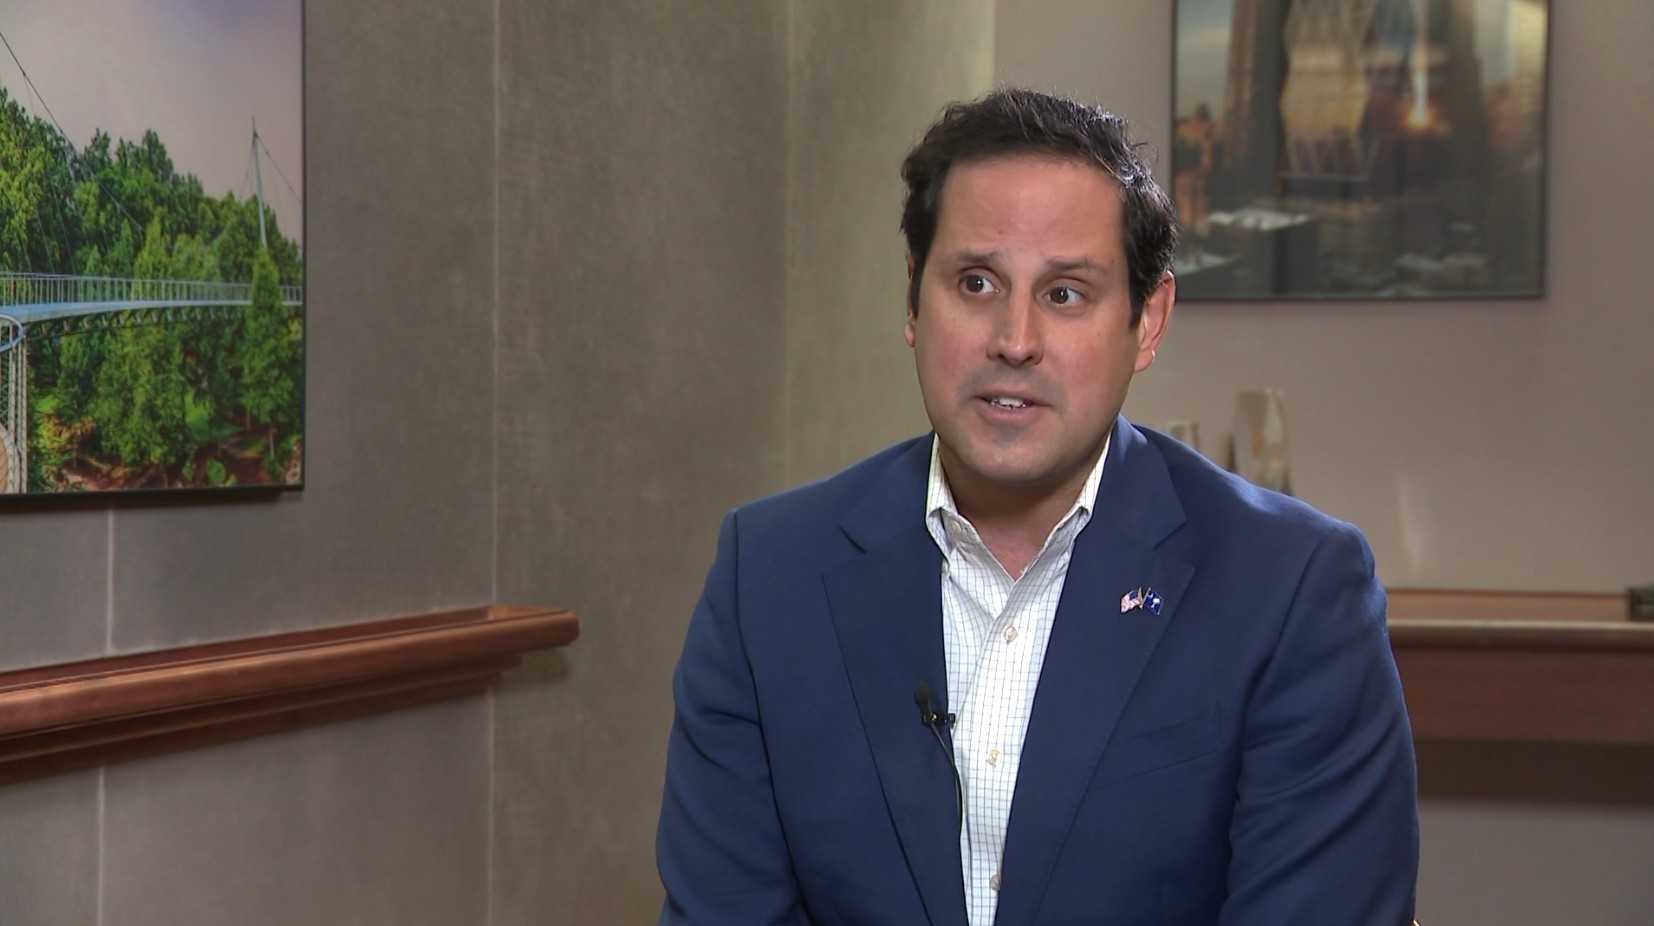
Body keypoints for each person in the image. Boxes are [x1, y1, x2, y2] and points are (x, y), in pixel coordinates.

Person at [657, 88, 1418, 926]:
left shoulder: (1292, 591)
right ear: (913, 298)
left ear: (1148, 320)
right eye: (976, 282)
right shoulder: (768, 578)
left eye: (1065, 294)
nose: (1014, 341)